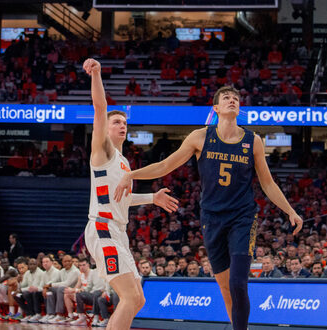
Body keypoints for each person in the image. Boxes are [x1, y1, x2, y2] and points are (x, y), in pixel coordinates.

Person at [115, 85, 303, 330]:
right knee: (225, 287)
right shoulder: (200, 137)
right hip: (211, 218)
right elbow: (165, 166)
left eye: (236, 98)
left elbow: (267, 182)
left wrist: (290, 210)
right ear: (216, 108)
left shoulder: (253, 140)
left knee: (238, 282)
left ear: (239, 107)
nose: (232, 100)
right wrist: (132, 175)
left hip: (242, 217)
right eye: (226, 98)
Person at [82, 58, 179, 330]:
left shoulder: (124, 161)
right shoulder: (103, 151)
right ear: (107, 128)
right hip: (103, 228)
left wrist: (151, 198)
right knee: (130, 296)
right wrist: (97, 73)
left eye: (125, 122)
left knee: (138, 300)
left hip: (118, 231)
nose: (122, 125)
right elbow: (99, 108)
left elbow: (121, 198)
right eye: (116, 122)